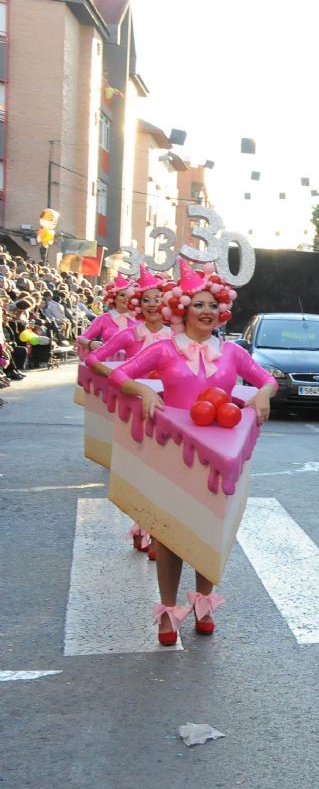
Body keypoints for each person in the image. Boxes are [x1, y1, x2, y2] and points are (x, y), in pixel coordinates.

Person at [109, 261, 277, 645]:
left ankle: (203, 604)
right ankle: (168, 612)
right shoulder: (165, 349)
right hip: (172, 451)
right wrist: (147, 390)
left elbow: (266, 380)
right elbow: (119, 374)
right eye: (198, 305)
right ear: (182, 311)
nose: (206, 311)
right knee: (169, 532)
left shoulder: (232, 352)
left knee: (210, 527)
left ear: (222, 312)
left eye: (212, 305)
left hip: (218, 453)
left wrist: (264, 394)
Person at [85, 266, 175, 556]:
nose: (152, 305)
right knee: (141, 471)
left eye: (157, 299)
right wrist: (121, 380)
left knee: (164, 471)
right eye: (146, 299)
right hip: (134, 409)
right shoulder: (130, 335)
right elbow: (94, 359)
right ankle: (143, 525)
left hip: (167, 409)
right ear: (139, 303)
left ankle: (154, 531)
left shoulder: (176, 338)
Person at [78, 273, 137, 354]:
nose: (126, 298)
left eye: (129, 295)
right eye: (122, 295)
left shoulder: (139, 318)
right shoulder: (103, 319)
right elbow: (82, 338)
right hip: (108, 363)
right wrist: (90, 343)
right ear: (113, 298)